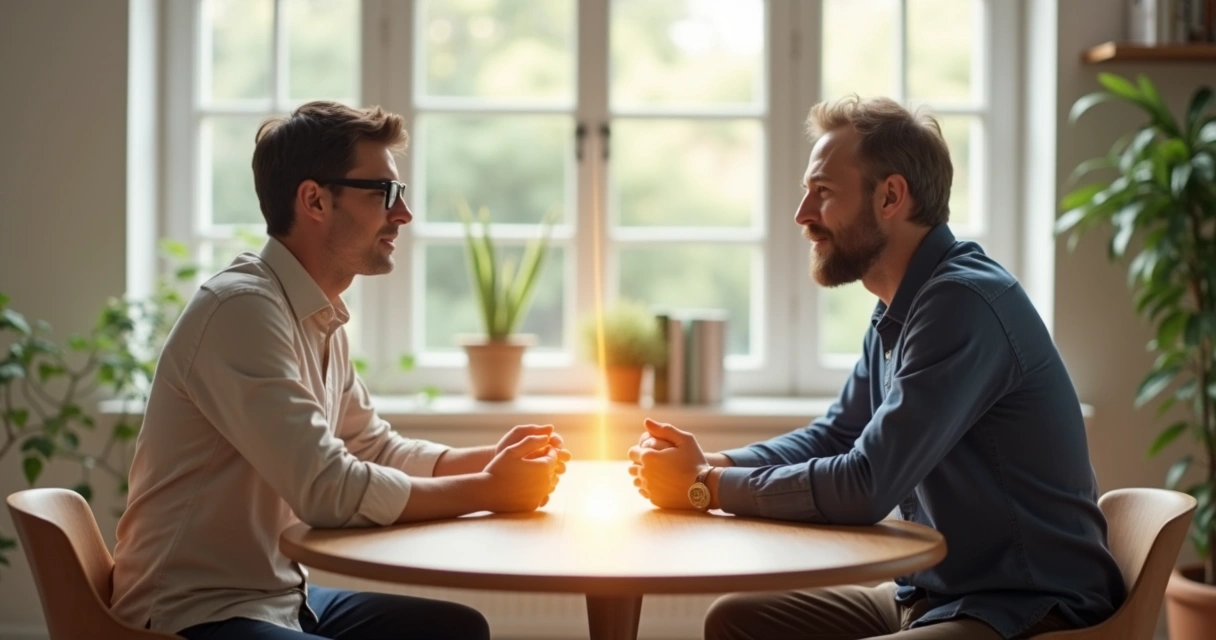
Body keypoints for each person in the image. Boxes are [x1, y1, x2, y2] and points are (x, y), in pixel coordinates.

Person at [628, 95, 1126, 640]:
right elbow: (838, 435)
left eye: (823, 192)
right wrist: (711, 462)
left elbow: (865, 485)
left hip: (1026, 607)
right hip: (933, 598)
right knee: (736, 621)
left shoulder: (961, 304)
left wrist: (705, 486)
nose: (802, 215)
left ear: (890, 196)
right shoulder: (901, 305)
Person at [110, 101, 571, 640]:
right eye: (385, 193)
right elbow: (327, 489)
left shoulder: (317, 315)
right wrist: (489, 490)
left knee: (456, 630)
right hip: (191, 613)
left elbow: (372, 448)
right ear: (314, 200)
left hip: (280, 598)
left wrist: (490, 461)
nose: (404, 213)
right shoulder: (240, 310)